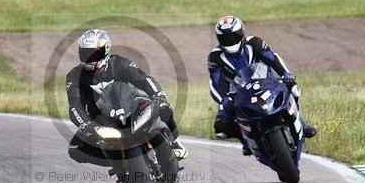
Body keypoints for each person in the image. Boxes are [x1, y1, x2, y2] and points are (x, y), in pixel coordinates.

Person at [66, 29, 188, 166]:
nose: (90, 59)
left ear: (106, 51)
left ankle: (175, 142)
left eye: (95, 54)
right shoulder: (74, 76)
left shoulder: (119, 63)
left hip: (131, 106)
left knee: (163, 107)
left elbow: (143, 78)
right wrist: (87, 125)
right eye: (85, 54)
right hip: (101, 119)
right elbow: (75, 106)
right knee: (75, 149)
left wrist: (158, 96)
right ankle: (116, 162)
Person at [207, 15, 317, 155]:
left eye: (234, 37)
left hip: (265, 82)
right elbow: (216, 82)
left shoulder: (254, 43)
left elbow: (273, 58)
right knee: (221, 126)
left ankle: (299, 123)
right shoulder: (215, 57)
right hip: (237, 92)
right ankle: (246, 140)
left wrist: (285, 74)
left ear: (241, 34)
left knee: (293, 89)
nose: (230, 41)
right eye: (226, 39)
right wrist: (225, 98)